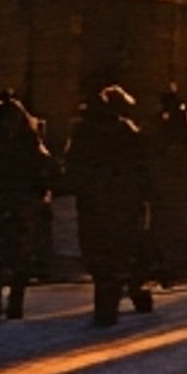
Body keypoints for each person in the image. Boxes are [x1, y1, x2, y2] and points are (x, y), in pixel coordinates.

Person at [65, 85, 155, 326]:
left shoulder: (83, 132)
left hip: (95, 204)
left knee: (102, 256)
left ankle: (107, 307)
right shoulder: (125, 132)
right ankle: (133, 296)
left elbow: (74, 167)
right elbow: (142, 166)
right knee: (125, 252)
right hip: (122, 203)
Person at [0, 94, 51, 321]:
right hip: (22, 203)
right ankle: (14, 307)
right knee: (20, 259)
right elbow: (42, 169)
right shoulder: (29, 138)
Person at [145, 88, 187, 281]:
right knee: (178, 227)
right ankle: (174, 262)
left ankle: (169, 263)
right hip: (179, 187)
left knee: (169, 226)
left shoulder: (166, 128)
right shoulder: (184, 127)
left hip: (169, 187)